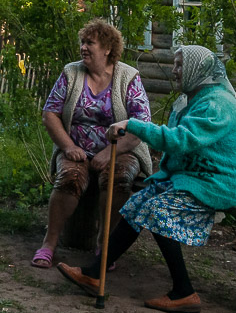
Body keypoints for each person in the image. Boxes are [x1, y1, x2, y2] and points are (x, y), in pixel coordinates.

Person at [57, 44, 236, 313]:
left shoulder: (218, 105)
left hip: (219, 181)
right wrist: (163, 176)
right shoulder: (192, 100)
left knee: (157, 211)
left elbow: (179, 141)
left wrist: (131, 125)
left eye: (180, 65)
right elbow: (181, 147)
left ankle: (185, 292)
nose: (174, 71)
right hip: (193, 176)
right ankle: (94, 274)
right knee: (138, 204)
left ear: (198, 70)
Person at [31, 18, 153, 269]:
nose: (83, 48)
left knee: (119, 178)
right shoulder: (71, 73)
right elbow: (50, 114)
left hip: (121, 149)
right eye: (82, 42)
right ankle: (49, 243)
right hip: (76, 147)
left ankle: (105, 243)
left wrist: (110, 152)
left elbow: (141, 124)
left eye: (90, 43)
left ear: (107, 48)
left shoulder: (128, 77)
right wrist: (68, 147)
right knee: (69, 178)